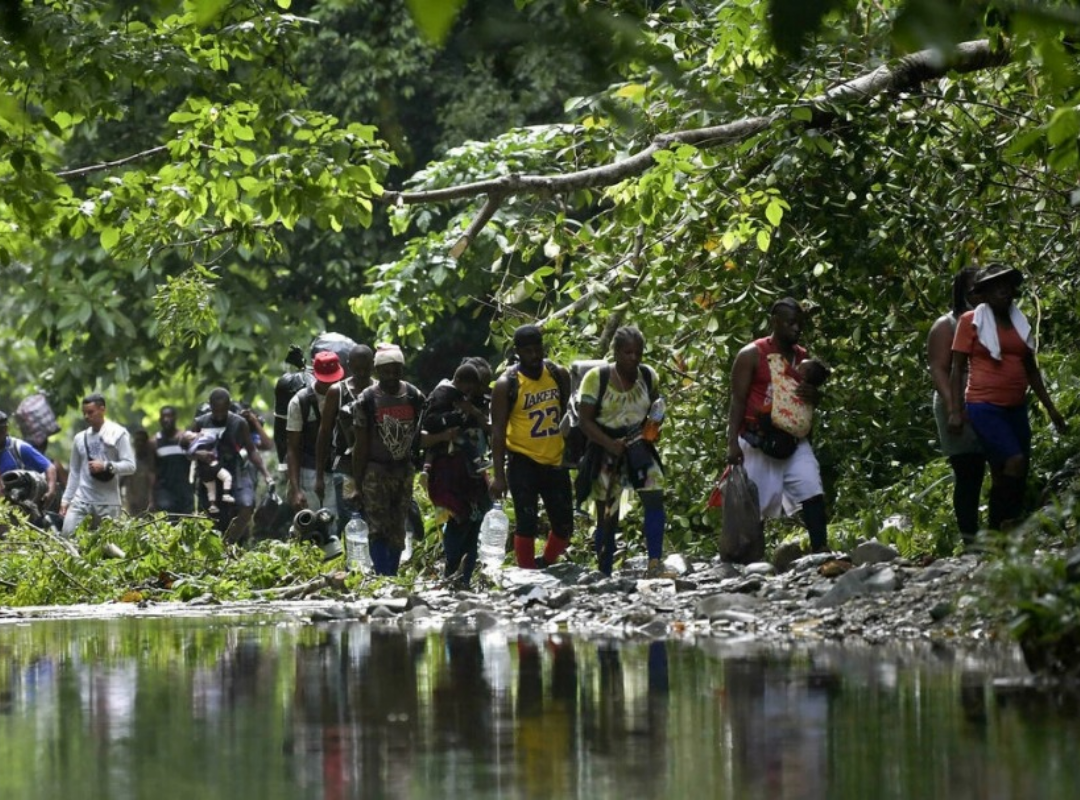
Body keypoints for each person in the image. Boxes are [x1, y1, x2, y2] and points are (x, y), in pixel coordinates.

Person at [948, 264, 1067, 531]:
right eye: (994, 286)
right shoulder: (971, 321)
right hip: (983, 405)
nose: (1002, 290)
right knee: (1014, 460)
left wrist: (1051, 409)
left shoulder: (1019, 322)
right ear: (985, 293)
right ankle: (998, 526)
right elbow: (956, 369)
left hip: (1015, 406)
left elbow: (1031, 370)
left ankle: (1004, 531)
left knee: (1013, 471)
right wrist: (955, 411)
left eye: (1005, 285)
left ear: (1013, 290)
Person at [726, 298, 830, 553]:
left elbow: (810, 401)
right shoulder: (752, 354)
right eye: (791, 323)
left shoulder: (803, 358)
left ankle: (821, 552)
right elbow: (737, 401)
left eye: (800, 324)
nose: (797, 329)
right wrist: (731, 445)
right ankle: (752, 563)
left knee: (811, 487)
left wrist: (814, 396)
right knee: (755, 504)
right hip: (758, 439)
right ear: (775, 322)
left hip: (793, 439)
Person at [577, 326, 671, 578]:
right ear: (616, 352)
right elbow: (584, 421)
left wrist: (654, 427)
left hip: (639, 446)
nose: (634, 357)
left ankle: (654, 563)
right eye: (628, 352)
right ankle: (604, 571)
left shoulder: (648, 376)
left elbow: (656, 408)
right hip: (605, 449)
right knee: (607, 513)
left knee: (655, 495)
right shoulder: (597, 378)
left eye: (638, 352)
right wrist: (609, 444)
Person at [489, 324, 574, 569]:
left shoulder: (558, 374)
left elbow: (570, 415)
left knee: (564, 525)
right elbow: (497, 432)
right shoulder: (507, 384)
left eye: (538, 349)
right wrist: (498, 475)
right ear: (518, 352)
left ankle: (545, 562)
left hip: (555, 459)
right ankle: (527, 573)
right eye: (528, 351)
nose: (534, 356)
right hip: (522, 460)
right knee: (526, 522)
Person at [351, 344, 425, 576]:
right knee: (377, 527)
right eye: (385, 371)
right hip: (375, 471)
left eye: (396, 371)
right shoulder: (367, 399)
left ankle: (390, 575)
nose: (391, 376)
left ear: (402, 370)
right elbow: (360, 444)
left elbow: (423, 431)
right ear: (378, 371)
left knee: (398, 526)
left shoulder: (413, 395)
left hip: (403, 470)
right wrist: (357, 482)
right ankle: (382, 576)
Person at [927, 268, 987, 545]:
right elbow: (939, 369)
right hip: (958, 401)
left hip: (990, 401)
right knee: (968, 473)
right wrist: (954, 407)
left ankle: (1001, 530)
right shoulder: (946, 325)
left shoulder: (995, 320)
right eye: (975, 287)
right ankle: (970, 539)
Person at [423, 360, 493, 586]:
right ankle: (452, 572)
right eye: (474, 387)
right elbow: (426, 430)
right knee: (457, 519)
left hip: (474, 474)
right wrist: (451, 426)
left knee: (475, 522)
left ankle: (465, 578)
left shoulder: (475, 403)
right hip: (449, 472)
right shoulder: (444, 398)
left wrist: (474, 410)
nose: (476, 392)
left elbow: (490, 429)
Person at [191, 387, 273, 544]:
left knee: (246, 507)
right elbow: (188, 449)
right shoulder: (200, 422)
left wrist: (266, 474)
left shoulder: (239, 423)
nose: (220, 415)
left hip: (236, 475)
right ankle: (217, 553)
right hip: (209, 479)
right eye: (216, 411)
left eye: (223, 411)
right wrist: (200, 454)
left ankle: (228, 545)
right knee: (212, 521)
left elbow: (255, 449)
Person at [315, 343, 374, 532]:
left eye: (366, 368)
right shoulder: (337, 392)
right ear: (349, 366)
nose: (362, 373)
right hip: (345, 465)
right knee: (351, 519)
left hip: (375, 465)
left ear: (373, 365)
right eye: (357, 368)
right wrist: (319, 476)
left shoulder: (380, 390)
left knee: (374, 517)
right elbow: (324, 433)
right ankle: (354, 560)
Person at [60, 393, 136, 537]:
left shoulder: (118, 433)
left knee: (107, 546)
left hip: (108, 503)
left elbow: (130, 466)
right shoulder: (79, 438)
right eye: (84, 413)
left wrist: (107, 466)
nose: (87, 417)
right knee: (68, 536)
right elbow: (75, 471)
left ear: (102, 409)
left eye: (90, 412)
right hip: (82, 499)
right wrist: (66, 499)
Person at [287, 351, 345, 523]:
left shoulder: (347, 395)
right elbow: (293, 447)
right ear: (315, 375)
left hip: (341, 468)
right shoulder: (300, 402)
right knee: (313, 523)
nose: (330, 385)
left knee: (339, 522)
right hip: (309, 470)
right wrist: (296, 489)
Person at [0, 409, 59, 517]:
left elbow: (49, 467)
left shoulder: (18, 447)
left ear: (6, 429)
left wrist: (51, 491)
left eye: (1, 431)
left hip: (19, 507)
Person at [768, 356, 830, 440]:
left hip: (779, 426)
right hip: (800, 433)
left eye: (799, 367)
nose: (795, 367)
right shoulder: (811, 396)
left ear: (804, 375)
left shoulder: (791, 385)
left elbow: (775, 367)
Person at [148, 405, 194, 517]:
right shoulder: (154, 442)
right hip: (164, 491)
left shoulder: (185, 439)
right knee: (169, 523)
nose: (166, 420)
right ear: (159, 420)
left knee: (186, 524)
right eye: (163, 417)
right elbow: (151, 471)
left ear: (175, 418)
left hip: (184, 491)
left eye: (169, 416)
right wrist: (151, 499)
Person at [182, 429, 235, 514]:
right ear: (190, 440)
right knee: (227, 477)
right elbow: (212, 437)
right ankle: (226, 494)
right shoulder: (199, 442)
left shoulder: (193, 448)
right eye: (191, 434)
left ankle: (213, 505)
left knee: (211, 489)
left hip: (204, 473)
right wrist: (202, 434)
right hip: (212, 467)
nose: (195, 433)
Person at [122, 428, 154, 515]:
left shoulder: (152, 462)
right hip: (132, 506)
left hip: (149, 507)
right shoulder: (129, 462)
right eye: (137, 440)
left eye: (142, 441)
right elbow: (121, 482)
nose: (140, 443)